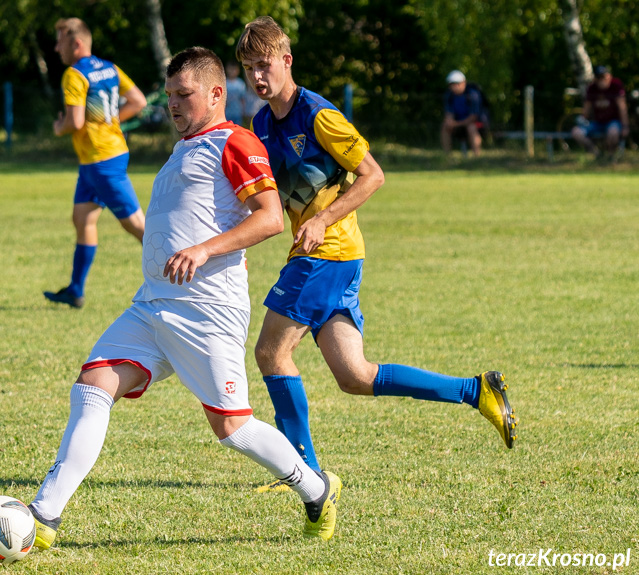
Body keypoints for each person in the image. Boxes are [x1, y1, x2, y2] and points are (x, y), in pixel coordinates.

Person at [27, 47, 342, 550]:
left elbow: (269, 218)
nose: (172, 104)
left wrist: (202, 249)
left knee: (232, 428)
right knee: (93, 383)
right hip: (152, 305)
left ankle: (316, 488)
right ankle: (44, 516)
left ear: (217, 93)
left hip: (207, 311)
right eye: (169, 94)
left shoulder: (237, 142)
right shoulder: (182, 148)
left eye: (184, 95)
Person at [235, 17, 516, 491]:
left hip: (329, 253)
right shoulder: (261, 123)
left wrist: (323, 220)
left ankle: (303, 472)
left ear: (287, 60)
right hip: (329, 257)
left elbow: (373, 174)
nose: (257, 78)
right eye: (248, 69)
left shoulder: (319, 115)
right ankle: (477, 390)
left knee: (270, 351)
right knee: (355, 376)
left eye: (264, 66)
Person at [43, 18, 148, 309]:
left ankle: (184, 279)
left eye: (60, 40)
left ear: (77, 43)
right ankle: (75, 290)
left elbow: (75, 122)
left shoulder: (74, 74)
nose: (56, 47)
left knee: (138, 226)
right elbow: (137, 101)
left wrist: (58, 127)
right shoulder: (109, 68)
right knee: (83, 219)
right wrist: (110, 120)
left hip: (102, 160)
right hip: (97, 159)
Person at [571, 65, 630, 159]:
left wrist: (625, 126)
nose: (602, 80)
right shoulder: (592, 88)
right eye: (599, 77)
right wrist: (581, 120)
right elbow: (586, 110)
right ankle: (597, 154)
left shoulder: (616, 85)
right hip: (597, 123)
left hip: (613, 122)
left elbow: (622, 108)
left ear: (609, 76)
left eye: (603, 77)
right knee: (576, 132)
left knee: (613, 132)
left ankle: (610, 157)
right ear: (595, 78)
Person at [441, 70, 488, 157]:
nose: (454, 86)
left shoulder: (473, 95)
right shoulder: (450, 96)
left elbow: (473, 117)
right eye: (452, 84)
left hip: (476, 124)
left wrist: (456, 124)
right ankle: (447, 156)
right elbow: (449, 113)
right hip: (457, 124)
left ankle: (477, 157)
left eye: (457, 83)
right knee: (445, 126)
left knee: (471, 127)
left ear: (464, 83)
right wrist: (449, 121)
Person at [224, 61, 247, 125]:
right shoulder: (224, 82)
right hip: (226, 113)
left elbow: (242, 99)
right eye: (230, 69)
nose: (232, 71)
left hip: (237, 112)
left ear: (238, 70)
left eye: (234, 69)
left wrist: (243, 111)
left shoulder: (240, 83)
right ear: (226, 69)